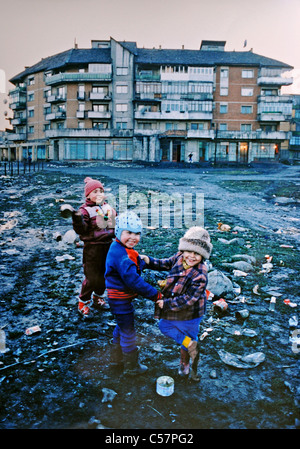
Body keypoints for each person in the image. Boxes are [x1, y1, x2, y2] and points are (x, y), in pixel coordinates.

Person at [141, 226, 212, 381]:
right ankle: (189, 346)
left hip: (191, 314)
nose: (192, 256)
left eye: (197, 253)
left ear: (203, 255)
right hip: (176, 308)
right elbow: (165, 263)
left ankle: (188, 367)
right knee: (165, 326)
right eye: (189, 251)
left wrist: (166, 304)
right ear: (183, 249)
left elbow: (189, 299)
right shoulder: (180, 257)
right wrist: (149, 261)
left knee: (187, 337)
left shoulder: (200, 274)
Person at [105, 211, 163, 376]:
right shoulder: (122, 256)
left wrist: (146, 262)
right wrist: (155, 295)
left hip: (118, 298)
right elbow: (134, 282)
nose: (133, 237)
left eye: (137, 233)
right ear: (118, 232)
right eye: (128, 232)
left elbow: (135, 264)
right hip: (120, 299)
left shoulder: (120, 248)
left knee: (122, 326)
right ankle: (131, 367)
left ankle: (116, 359)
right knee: (129, 331)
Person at [72, 177, 116, 319]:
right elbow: (82, 230)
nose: (99, 194)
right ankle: (83, 302)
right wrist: (77, 219)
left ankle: (98, 297)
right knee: (91, 277)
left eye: (101, 191)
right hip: (92, 249)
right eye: (95, 191)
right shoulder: (84, 211)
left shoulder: (107, 207)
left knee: (105, 274)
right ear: (88, 195)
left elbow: (115, 224)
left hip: (108, 246)